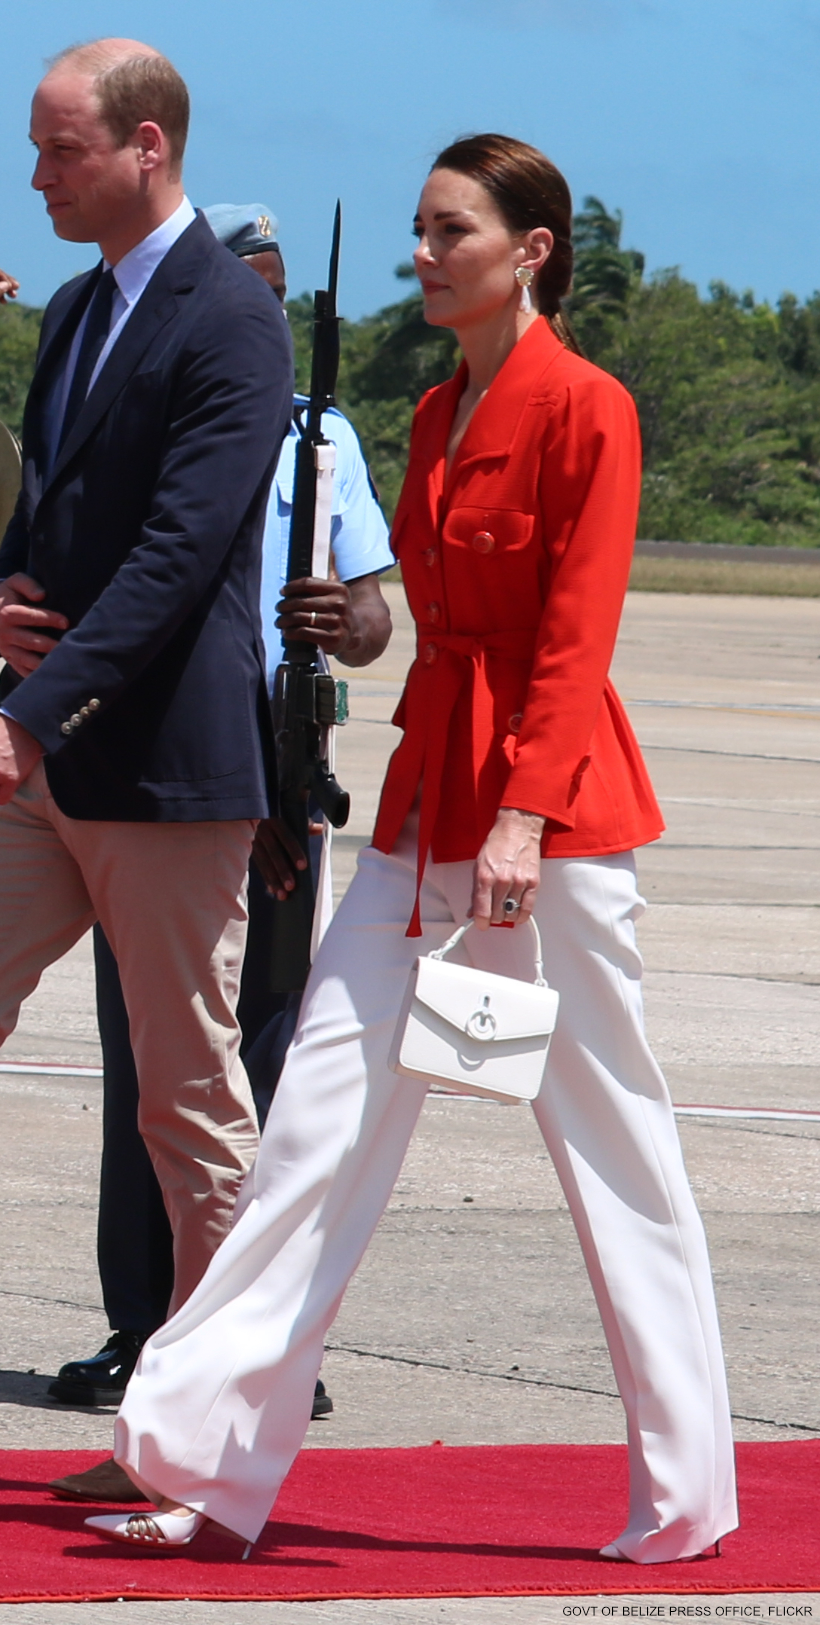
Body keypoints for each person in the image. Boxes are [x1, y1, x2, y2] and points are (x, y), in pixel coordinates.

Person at [87, 134, 738, 1566]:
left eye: (452, 231)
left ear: (532, 250)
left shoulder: (591, 409)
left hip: (548, 833)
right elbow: (423, 634)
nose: (425, 253)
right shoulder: (433, 417)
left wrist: (521, 815)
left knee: (615, 1152)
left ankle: (688, 1494)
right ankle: (206, 1461)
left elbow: (574, 641)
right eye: (422, 231)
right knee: (315, 1131)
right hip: (416, 819)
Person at [47, 204, 392, 1484]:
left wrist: (339, 616)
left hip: (271, 764)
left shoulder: (323, 440)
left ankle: (259, 1346)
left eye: (270, 298)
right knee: (150, 1055)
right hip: (151, 771)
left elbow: (369, 613)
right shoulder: (136, 407)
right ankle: (146, 1328)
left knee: (254, 1059)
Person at [0, 42, 292, 1349]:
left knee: (184, 1096)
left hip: (164, 775)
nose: (38, 174)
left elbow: (180, 555)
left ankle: (221, 1401)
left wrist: (23, 712)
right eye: (36, 145)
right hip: (49, 765)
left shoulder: (233, 317)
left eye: (61, 148)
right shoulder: (71, 310)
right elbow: (47, 523)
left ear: (146, 148)